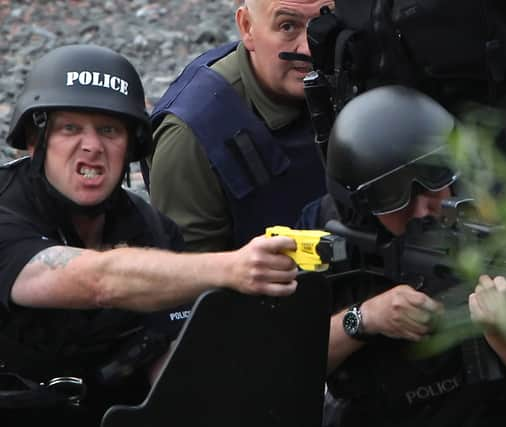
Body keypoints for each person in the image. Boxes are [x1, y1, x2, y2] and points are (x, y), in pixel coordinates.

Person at [0, 44, 301, 426]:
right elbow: (96, 280)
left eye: (109, 130)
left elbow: (174, 366)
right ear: (34, 141)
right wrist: (232, 267)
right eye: (69, 128)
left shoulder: (152, 230)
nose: (92, 147)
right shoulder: (6, 211)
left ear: (131, 147)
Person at [313, 85, 506, 427]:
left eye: (434, 176)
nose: (422, 209)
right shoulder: (329, 231)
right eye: (392, 195)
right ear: (358, 205)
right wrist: (363, 319)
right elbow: (273, 374)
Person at [147, 0, 332, 252]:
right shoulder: (193, 134)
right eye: (288, 26)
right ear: (247, 28)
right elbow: (188, 279)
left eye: (323, 22)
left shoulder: (367, 69)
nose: (310, 48)